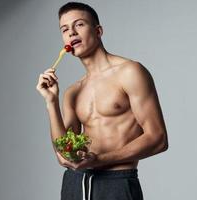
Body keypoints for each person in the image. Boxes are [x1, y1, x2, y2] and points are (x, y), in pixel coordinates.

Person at [36, 2, 169, 200]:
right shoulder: (72, 92)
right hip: (75, 182)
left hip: (116, 182)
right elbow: (63, 154)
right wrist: (51, 102)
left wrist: (98, 160)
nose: (71, 33)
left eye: (79, 24)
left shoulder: (130, 72)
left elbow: (158, 139)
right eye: (65, 29)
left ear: (98, 31)